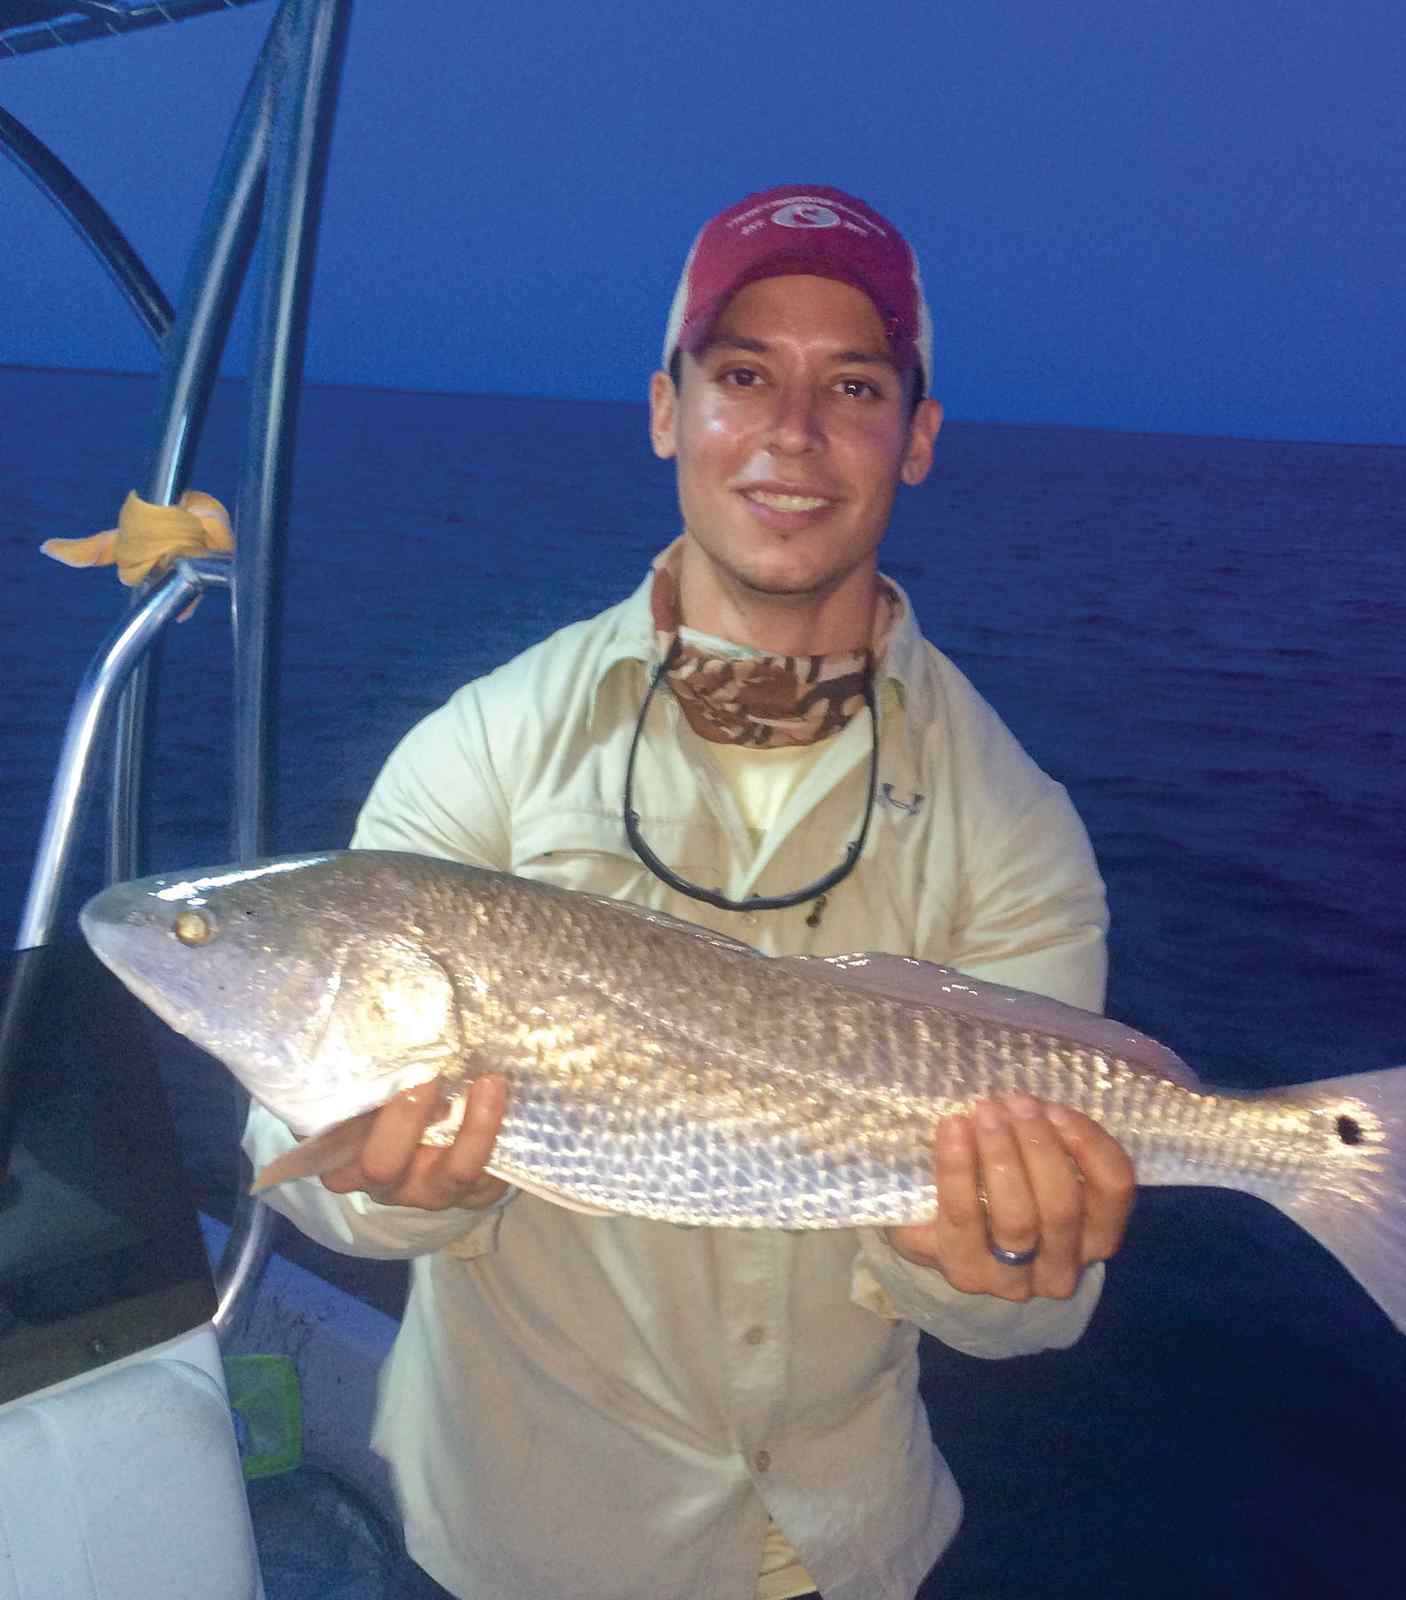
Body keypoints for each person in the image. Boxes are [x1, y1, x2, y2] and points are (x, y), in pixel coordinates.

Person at [243, 183, 1136, 1600]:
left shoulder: (1012, 824)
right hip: (521, 1539)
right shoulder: (484, 747)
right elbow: (298, 1155)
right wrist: (390, 1196)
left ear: (918, 438)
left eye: (854, 386)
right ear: (668, 411)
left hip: (835, 1549)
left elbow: (1022, 1318)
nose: (794, 432)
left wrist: (1001, 1254)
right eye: (743, 376)